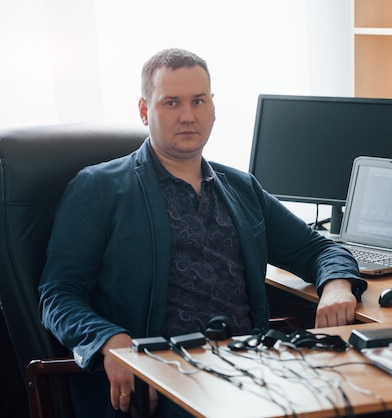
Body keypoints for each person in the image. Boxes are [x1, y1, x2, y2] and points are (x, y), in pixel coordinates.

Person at [39, 48, 367, 418]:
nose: (187, 116)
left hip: (249, 369)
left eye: (198, 101)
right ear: (145, 111)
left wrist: (338, 283)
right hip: (158, 379)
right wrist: (110, 341)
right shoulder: (98, 188)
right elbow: (58, 296)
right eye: (171, 103)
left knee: (375, 396)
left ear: (213, 107)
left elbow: (317, 249)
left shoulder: (242, 189)